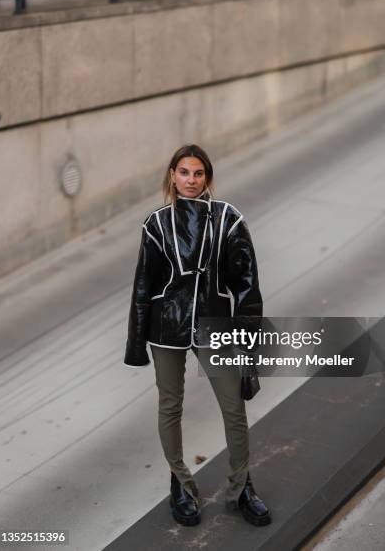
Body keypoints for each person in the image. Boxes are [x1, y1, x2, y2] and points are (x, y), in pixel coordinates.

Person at [124, 144, 271, 527]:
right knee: (170, 406)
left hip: (215, 324)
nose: (191, 180)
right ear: (172, 175)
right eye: (184, 172)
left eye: (198, 173)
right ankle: (180, 484)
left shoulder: (229, 220)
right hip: (166, 325)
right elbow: (144, 285)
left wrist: (247, 342)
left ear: (208, 178)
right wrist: (136, 343)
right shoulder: (156, 224)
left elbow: (246, 285)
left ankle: (242, 487)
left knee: (233, 407)